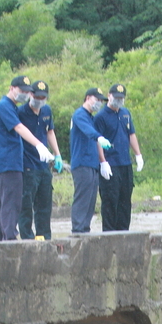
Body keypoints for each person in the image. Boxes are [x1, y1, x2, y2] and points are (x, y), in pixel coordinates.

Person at [0, 75, 54, 241]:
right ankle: (9, 237)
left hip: (8, 162)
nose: (25, 94)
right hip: (9, 162)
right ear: (12, 88)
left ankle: (3, 235)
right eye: (22, 90)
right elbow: (19, 127)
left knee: (4, 202)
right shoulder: (5, 106)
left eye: (27, 91)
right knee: (12, 202)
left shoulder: (10, 106)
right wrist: (39, 144)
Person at [17, 79, 63, 241]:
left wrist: (57, 154)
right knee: (26, 205)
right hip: (27, 165)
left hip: (44, 166)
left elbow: (50, 132)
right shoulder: (21, 112)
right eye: (37, 96)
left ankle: (44, 237)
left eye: (43, 97)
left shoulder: (47, 111)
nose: (39, 100)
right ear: (30, 94)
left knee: (44, 205)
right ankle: (27, 239)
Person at [94, 84, 144, 231]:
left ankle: (124, 232)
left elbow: (131, 135)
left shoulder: (125, 113)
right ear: (109, 96)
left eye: (121, 98)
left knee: (125, 201)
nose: (118, 100)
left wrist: (138, 154)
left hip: (125, 163)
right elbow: (97, 140)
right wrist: (102, 161)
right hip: (111, 163)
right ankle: (109, 234)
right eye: (116, 97)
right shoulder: (101, 117)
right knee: (110, 201)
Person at [69, 88, 112, 234]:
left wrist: (102, 161)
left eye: (101, 101)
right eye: (97, 99)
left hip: (92, 164)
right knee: (83, 198)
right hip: (82, 163)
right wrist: (99, 137)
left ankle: (84, 229)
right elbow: (88, 131)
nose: (99, 103)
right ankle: (78, 230)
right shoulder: (80, 114)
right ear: (88, 98)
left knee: (90, 200)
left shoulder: (91, 118)